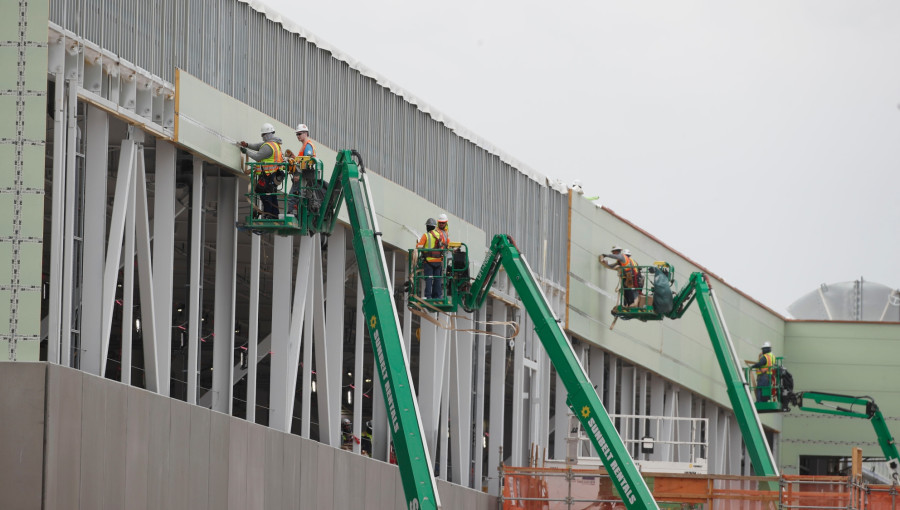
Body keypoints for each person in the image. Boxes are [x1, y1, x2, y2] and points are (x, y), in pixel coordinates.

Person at [239, 123, 285, 218]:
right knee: (271, 195)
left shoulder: (268, 146)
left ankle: (268, 214)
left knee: (265, 195)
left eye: (263, 135)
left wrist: (246, 151)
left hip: (267, 175)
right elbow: (257, 146)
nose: (262, 137)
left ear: (267, 135)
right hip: (272, 175)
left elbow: (257, 156)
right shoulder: (274, 144)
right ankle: (274, 214)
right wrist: (247, 145)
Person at [286, 123, 317, 214]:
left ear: (305, 133)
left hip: (302, 176)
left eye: (299, 134)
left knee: (293, 196)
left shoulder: (308, 146)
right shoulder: (305, 146)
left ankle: (291, 215)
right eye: (297, 134)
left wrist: (298, 175)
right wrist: (294, 158)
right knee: (296, 197)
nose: (298, 136)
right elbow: (302, 161)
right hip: (302, 175)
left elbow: (307, 162)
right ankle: (294, 215)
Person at [416, 218, 446, 299]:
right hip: (438, 261)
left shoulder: (426, 235)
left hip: (428, 261)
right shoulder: (440, 235)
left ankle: (428, 296)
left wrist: (417, 243)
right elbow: (443, 246)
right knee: (437, 279)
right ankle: (438, 295)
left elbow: (419, 247)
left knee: (428, 279)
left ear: (427, 227)